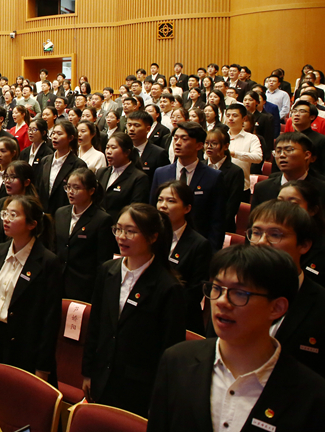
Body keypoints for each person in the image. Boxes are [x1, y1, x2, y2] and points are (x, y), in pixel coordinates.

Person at [147, 244, 325, 432]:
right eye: (217, 288)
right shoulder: (177, 361)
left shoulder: (312, 394)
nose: (222, 301)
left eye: (240, 293)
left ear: (277, 307)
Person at [82, 204, 186, 418]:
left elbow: (169, 349)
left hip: (138, 388)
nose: (121, 237)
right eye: (118, 229)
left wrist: (159, 397)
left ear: (153, 237)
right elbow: (96, 326)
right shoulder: (107, 271)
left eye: (130, 231)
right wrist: (88, 372)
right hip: (102, 377)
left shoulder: (168, 287)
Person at [0, 194, 61, 379]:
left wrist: (43, 365)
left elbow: (50, 319)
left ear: (31, 224)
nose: (6, 219)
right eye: (5, 214)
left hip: (25, 348)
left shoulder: (48, 262)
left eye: (13, 215)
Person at [240, 200, 325, 378]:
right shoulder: (228, 291)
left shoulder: (319, 303)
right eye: (256, 233)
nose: (261, 242)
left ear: (304, 245)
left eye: (275, 235)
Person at [155, 180, 212, 333]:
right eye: (160, 200)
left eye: (171, 201)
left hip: (181, 319)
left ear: (187, 208)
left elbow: (194, 293)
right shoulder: (150, 236)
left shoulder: (199, 244)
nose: (163, 206)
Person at [53, 168, 117, 302]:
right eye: (68, 187)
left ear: (91, 191)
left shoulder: (102, 219)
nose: (70, 192)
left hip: (84, 286)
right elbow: (55, 247)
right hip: (58, 281)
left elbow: (103, 261)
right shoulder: (60, 213)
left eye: (76, 188)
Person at [278, 180, 325, 287]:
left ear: (312, 210)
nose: (283, 208)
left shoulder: (320, 245)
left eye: (293, 204)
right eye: (279, 202)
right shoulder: (266, 238)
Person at [38, 121, 88, 216]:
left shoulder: (78, 164)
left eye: (59, 134)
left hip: (65, 214)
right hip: (44, 214)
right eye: (53, 133)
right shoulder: (45, 161)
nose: (55, 137)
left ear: (70, 138)